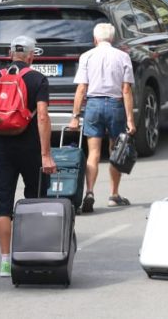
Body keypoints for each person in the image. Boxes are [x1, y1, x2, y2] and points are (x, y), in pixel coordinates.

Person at [0, 35, 55, 277]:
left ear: (11, 54)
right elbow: (42, 117)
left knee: (3, 205)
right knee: (35, 201)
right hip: (30, 150)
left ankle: (6, 261)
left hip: (1, 149)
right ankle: (32, 252)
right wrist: (46, 155)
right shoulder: (38, 79)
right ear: (31, 56)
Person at [68, 23, 136, 212]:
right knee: (116, 151)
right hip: (115, 105)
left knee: (94, 153)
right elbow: (126, 90)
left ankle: (89, 192)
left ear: (95, 38)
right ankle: (114, 195)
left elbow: (81, 88)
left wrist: (75, 116)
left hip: (93, 105)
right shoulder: (123, 57)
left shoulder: (87, 57)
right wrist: (130, 119)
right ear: (112, 38)